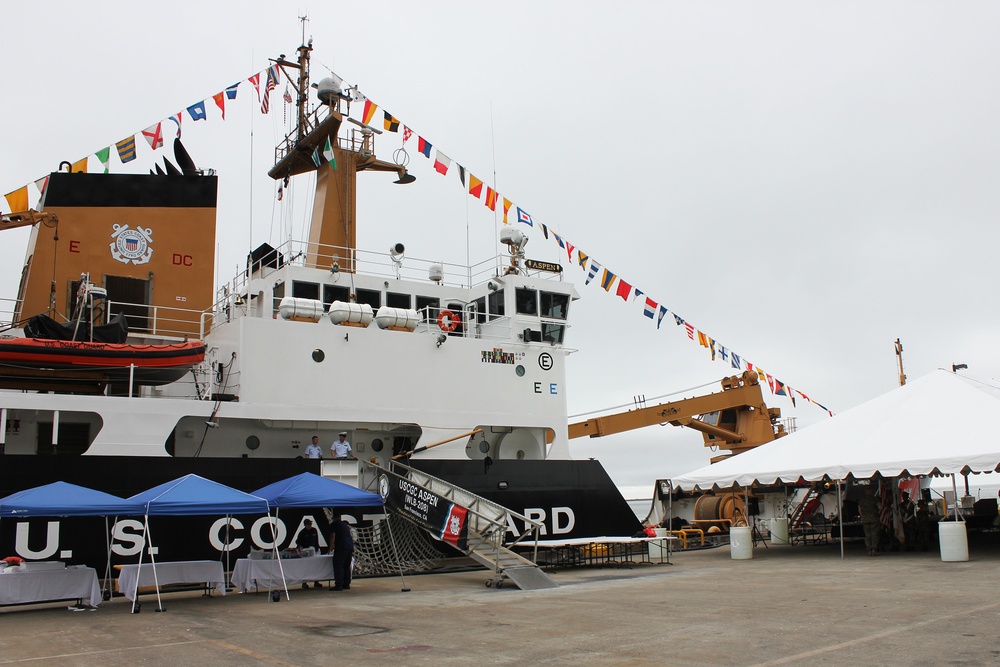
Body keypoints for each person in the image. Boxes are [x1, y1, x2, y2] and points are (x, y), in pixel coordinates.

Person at [294, 519, 323, 588]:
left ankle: (316, 581)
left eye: (310, 524)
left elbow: (316, 540)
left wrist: (317, 548)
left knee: (316, 567)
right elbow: (298, 541)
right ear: (305, 525)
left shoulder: (314, 530)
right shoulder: (302, 532)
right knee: (306, 568)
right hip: (306, 552)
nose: (310, 526)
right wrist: (300, 546)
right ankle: (304, 582)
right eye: (308, 524)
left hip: (314, 551)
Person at [328, 514, 354, 591]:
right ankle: (346, 584)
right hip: (349, 546)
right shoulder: (345, 525)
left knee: (338, 565)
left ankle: (338, 585)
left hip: (341, 546)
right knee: (347, 565)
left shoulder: (334, 524)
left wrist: (331, 546)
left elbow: (333, 535)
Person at [858, 484, 881, 556]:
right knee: (874, 534)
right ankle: (874, 549)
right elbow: (880, 507)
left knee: (867, 535)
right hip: (874, 518)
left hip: (866, 519)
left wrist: (863, 516)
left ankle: (869, 550)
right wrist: (878, 514)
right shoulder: (874, 499)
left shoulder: (862, 500)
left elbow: (860, 510)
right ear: (871, 491)